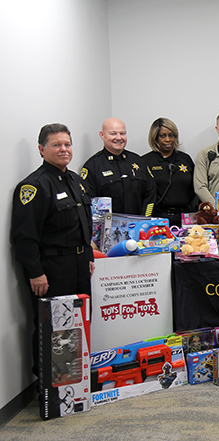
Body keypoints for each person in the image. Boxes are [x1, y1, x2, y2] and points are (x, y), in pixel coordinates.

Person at [11, 123, 95, 374]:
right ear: (41, 149)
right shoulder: (34, 186)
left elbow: (84, 224)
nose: (64, 150)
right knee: (53, 328)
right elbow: (24, 236)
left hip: (79, 266)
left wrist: (88, 255)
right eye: (56, 145)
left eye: (67, 144)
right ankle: (49, 385)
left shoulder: (75, 181)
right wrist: (35, 272)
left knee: (79, 325)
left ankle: (74, 380)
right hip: (52, 269)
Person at [81, 118, 156, 216]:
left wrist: (145, 219)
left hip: (139, 225)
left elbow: (151, 192)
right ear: (102, 135)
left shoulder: (138, 161)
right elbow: (89, 203)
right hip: (109, 228)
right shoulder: (92, 166)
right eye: (113, 134)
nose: (119, 138)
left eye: (122, 133)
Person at [142, 118, 197, 226]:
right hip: (158, 218)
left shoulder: (185, 159)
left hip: (184, 218)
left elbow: (194, 189)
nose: (168, 140)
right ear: (155, 138)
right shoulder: (146, 161)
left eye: (171, 135)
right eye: (163, 136)